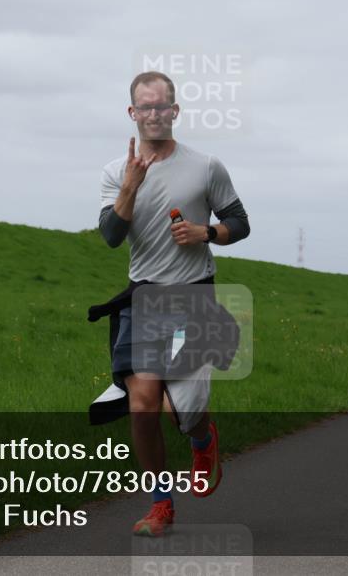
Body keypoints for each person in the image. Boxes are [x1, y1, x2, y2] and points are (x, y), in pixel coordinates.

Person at [94, 71, 250, 537]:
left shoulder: (205, 167)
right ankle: (161, 504)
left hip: (193, 298)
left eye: (163, 106)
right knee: (143, 405)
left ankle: (203, 439)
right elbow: (110, 236)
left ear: (175, 111)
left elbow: (239, 222)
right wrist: (129, 186)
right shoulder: (113, 172)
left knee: (183, 410)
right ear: (132, 113)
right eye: (146, 107)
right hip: (142, 300)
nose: (154, 114)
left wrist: (207, 233)